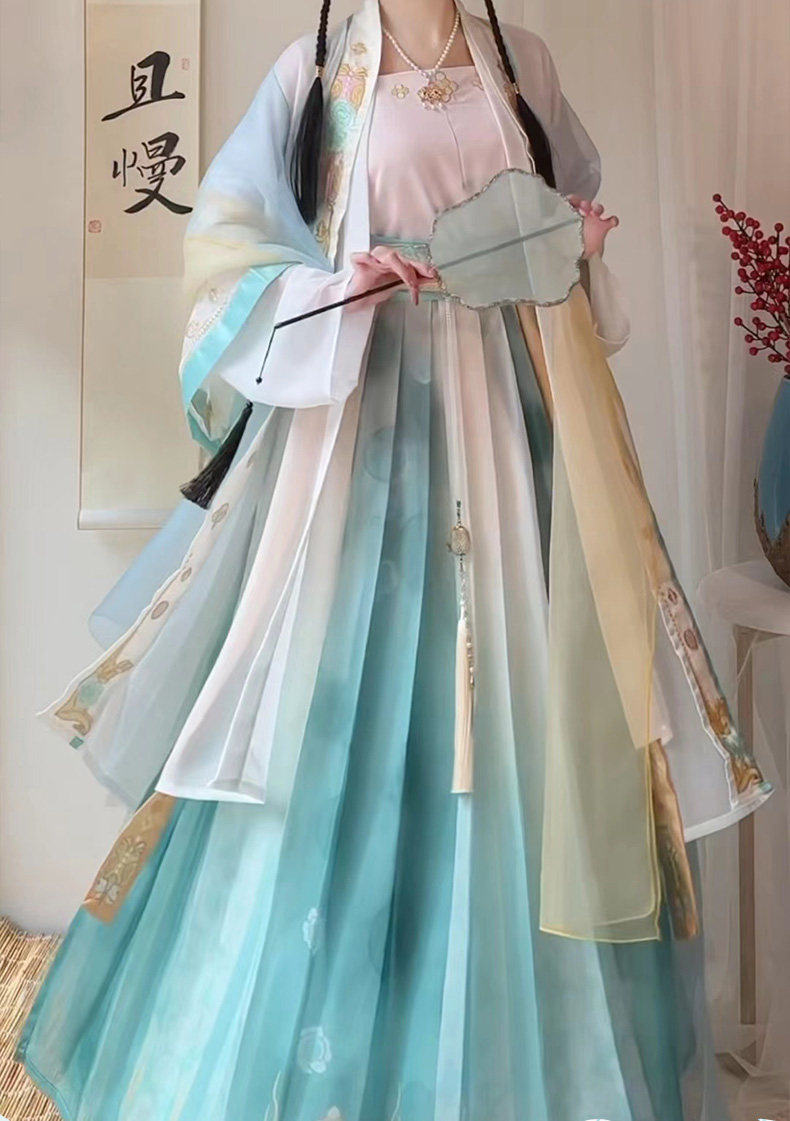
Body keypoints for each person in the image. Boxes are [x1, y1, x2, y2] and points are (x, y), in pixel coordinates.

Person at [18, 1, 770, 1118]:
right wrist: (338, 287)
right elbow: (223, 253)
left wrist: (573, 243)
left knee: (525, 713)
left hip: (513, 435)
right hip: (362, 440)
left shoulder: (521, 60)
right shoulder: (317, 69)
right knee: (329, 720)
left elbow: (563, 219)